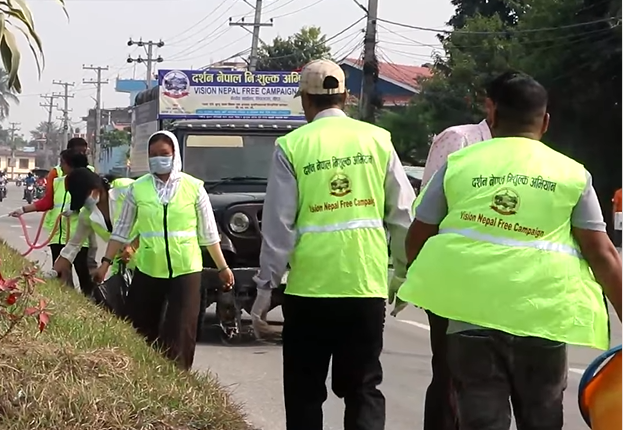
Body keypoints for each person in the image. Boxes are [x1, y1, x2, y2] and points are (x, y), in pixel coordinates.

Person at [398, 71, 622, 430]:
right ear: (545, 121)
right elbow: (603, 255)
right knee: (542, 419)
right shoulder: (571, 174)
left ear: (493, 114)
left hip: (470, 322)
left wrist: (424, 284)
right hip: (543, 321)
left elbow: (418, 237)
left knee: (481, 421)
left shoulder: (459, 165)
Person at [252, 60, 416, 430]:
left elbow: (279, 226)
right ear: (346, 97)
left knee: (305, 391)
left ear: (306, 102)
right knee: (362, 388)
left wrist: (265, 290)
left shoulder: (292, 145)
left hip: (309, 292)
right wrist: (404, 275)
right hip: (365, 287)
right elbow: (403, 214)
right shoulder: (378, 140)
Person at [404, 71, 502, 430]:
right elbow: (428, 210)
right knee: (449, 375)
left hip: (500, 282)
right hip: (454, 279)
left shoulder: (524, 152)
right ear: (489, 106)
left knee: (490, 382)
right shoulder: (459, 139)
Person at [96, 131, 234, 370]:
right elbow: (121, 230)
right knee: (139, 330)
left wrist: (222, 267)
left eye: (164, 154)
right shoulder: (138, 189)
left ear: (175, 156)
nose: (159, 159)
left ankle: (178, 382)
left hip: (186, 271)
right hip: (149, 269)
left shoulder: (194, 188)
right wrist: (105, 263)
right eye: (153, 155)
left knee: (181, 331)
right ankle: (143, 378)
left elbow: (209, 234)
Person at [10, 150, 92, 290]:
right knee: (61, 276)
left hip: (77, 239)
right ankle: (68, 303)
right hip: (57, 237)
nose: (60, 167)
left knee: (83, 275)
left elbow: (93, 204)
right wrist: (23, 210)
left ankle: (91, 304)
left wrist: (76, 209)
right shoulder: (57, 182)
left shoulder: (89, 182)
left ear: (70, 165)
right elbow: (47, 203)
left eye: (62, 163)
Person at [51, 168, 136, 293]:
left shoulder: (124, 188)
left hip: (152, 258)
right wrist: (53, 272)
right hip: (122, 264)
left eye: (84, 198)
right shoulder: (87, 214)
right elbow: (74, 245)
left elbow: (155, 218)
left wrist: (134, 245)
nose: (85, 204)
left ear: (96, 189)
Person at [34, 138, 93, 211]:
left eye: (84, 152)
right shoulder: (56, 172)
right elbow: (47, 201)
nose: (81, 155)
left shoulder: (92, 173)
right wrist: (23, 209)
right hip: (59, 220)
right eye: (78, 152)